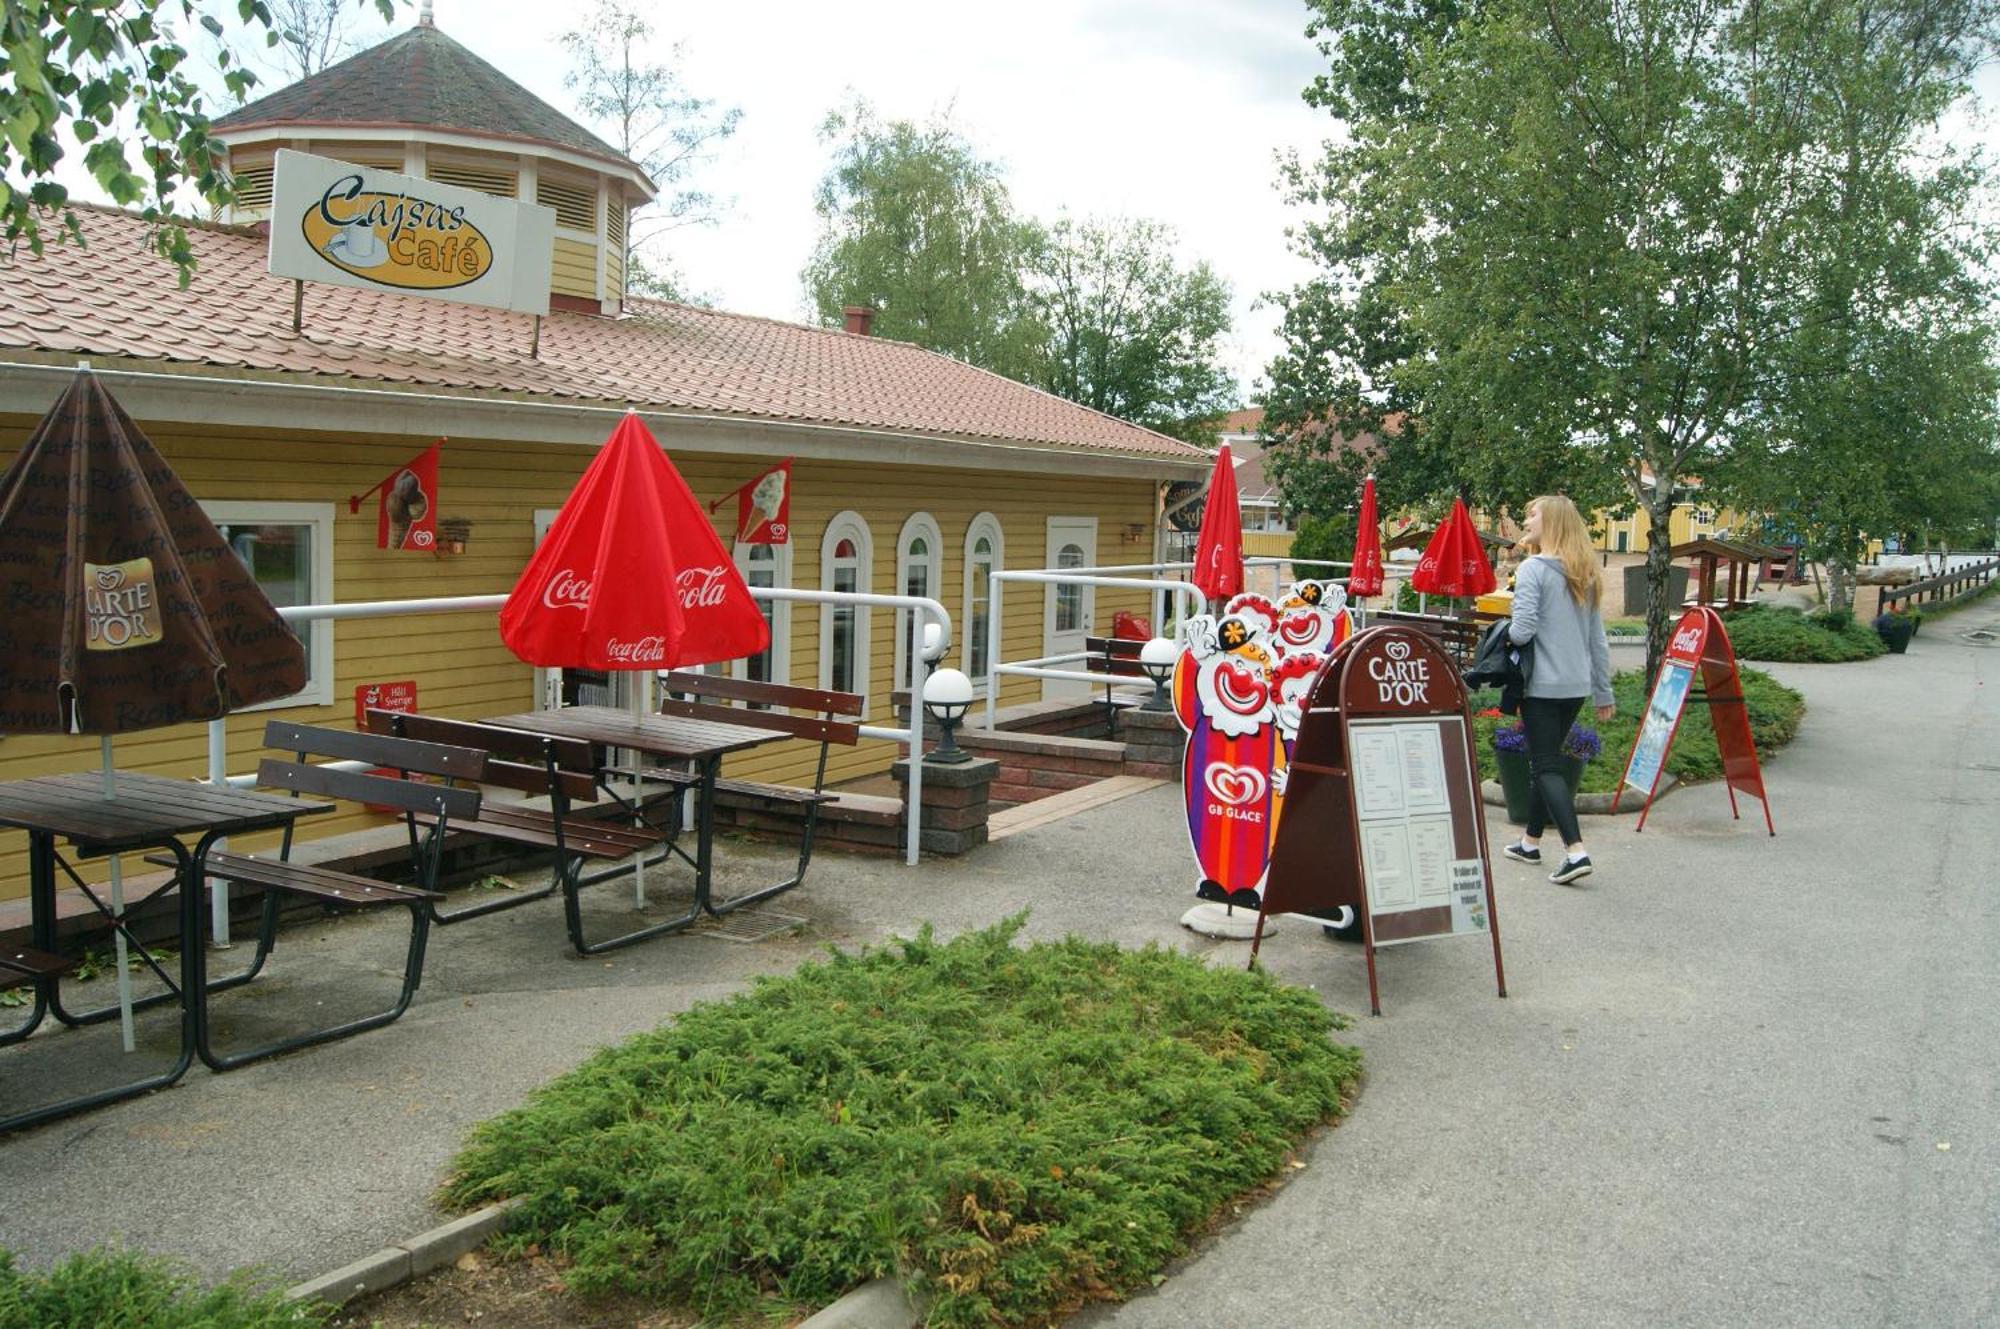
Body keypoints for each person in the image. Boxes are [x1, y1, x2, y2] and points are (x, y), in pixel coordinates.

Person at [1501, 495, 1614, 883]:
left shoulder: (1533, 569)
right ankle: (1530, 843)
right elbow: (1597, 640)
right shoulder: (1585, 572)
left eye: (1532, 514)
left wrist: (1503, 632)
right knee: (1543, 757)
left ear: (1551, 523)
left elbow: (1522, 631)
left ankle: (1575, 852)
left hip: (1542, 686)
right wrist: (1604, 693)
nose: (1526, 519)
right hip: (1576, 686)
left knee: (1546, 765)